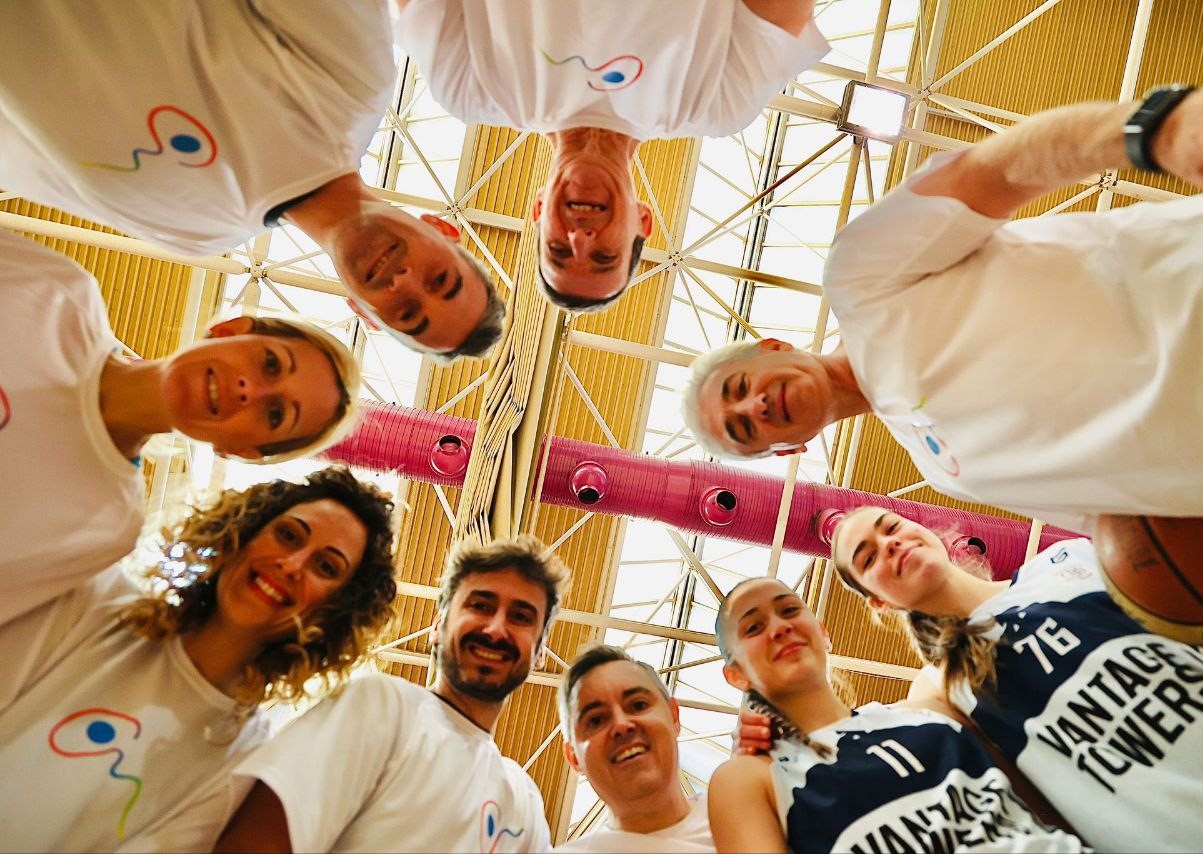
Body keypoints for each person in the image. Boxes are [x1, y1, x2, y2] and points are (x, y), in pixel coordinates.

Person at [682, 87, 1203, 534]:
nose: (754, 408)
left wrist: (1163, 128)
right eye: (744, 430)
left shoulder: (859, 280)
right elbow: (1134, 527)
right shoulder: (951, 473)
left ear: (774, 346)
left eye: (739, 388)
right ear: (789, 451)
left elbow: (996, 170)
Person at [0, 0, 503, 359]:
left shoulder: (195, 233)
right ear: (444, 229)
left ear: (364, 314)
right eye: (439, 279)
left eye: (406, 312)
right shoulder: (353, 88)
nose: (402, 282)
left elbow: (25, 162)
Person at [0, 467, 398, 852]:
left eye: (325, 567)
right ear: (245, 531)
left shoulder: (240, 767)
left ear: (333, 614)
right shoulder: (94, 602)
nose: (291, 565)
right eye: (288, 535)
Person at [0, 228, 362, 627]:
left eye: (275, 414)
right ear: (232, 329)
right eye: (270, 363)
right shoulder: (55, 294)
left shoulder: (104, 526)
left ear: (241, 450)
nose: (250, 390)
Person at [393, 0, 829, 311]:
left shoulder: (474, 90)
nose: (580, 239)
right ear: (642, 220)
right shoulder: (715, 104)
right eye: (604, 255)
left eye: (557, 251)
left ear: (539, 209)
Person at [828, 505, 1203, 852]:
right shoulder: (939, 689)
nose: (889, 544)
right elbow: (1032, 805)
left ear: (920, 528)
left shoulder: (1067, 559)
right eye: (869, 557)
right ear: (879, 602)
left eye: (891, 527)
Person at [214, 534, 569, 853]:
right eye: (480, 605)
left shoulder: (523, 800)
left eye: (521, 616)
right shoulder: (383, 706)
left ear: (539, 652)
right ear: (438, 627)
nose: (495, 629)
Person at [708, 576, 1083, 853]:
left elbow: (1045, 800)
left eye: (789, 610)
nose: (779, 627)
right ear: (735, 674)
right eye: (754, 627)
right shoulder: (751, 780)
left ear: (823, 632)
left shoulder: (928, 705)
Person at [556, 645, 714, 852]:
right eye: (595, 720)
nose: (621, 725)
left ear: (673, 716)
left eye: (638, 705)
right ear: (574, 757)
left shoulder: (751, 813)